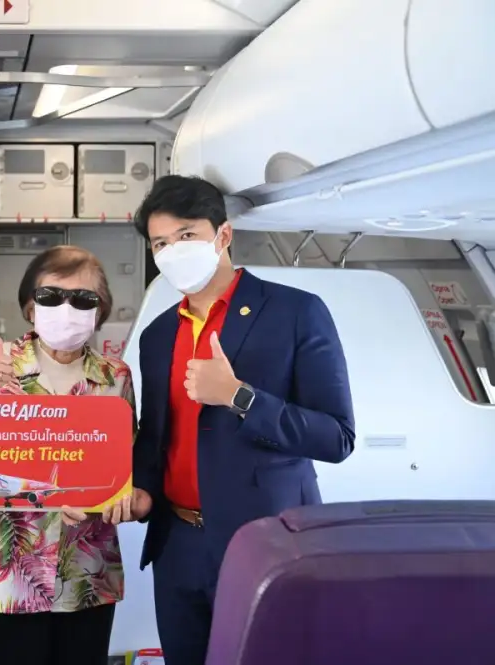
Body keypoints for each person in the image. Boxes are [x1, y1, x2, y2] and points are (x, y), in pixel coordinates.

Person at [111, 175, 356, 665]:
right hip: (177, 543)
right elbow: (158, 438)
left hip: (264, 541)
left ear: (223, 234)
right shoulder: (158, 335)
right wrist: (143, 490)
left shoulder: (295, 312)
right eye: (160, 243)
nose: (172, 251)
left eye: (186, 235)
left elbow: (336, 437)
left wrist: (240, 397)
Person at [0, 245, 136, 665]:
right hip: (13, 571)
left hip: (87, 571)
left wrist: (108, 499)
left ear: (100, 311)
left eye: (83, 298)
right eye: (51, 296)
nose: (66, 309)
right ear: (30, 307)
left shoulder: (116, 377)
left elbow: (125, 463)